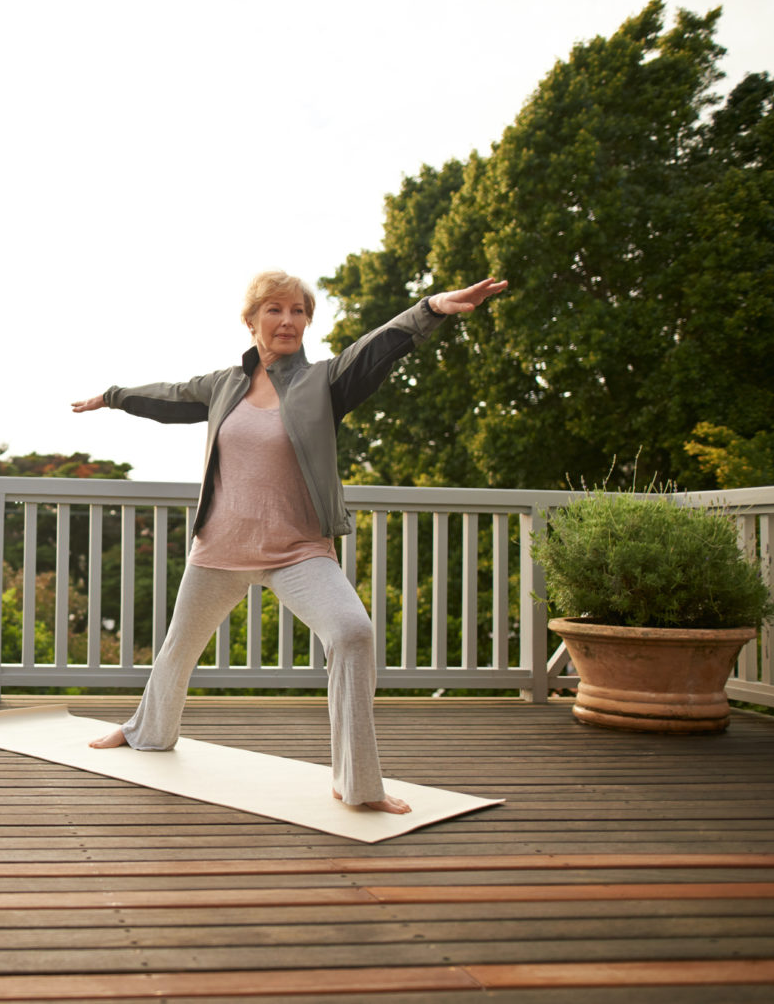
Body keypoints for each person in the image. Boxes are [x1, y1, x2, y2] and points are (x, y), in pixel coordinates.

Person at [71, 270, 506, 814]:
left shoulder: (323, 382)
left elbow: (376, 349)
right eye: (275, 310)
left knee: (352, 633)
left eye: (299, 311)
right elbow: (171, 396)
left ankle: (357, 783)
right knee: (178, 648)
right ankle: (147, 733)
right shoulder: (225, 385)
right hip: (220, 551)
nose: (288, 320)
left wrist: (432, 308)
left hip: (297, 551)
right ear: (251, 321)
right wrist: (113, 396)